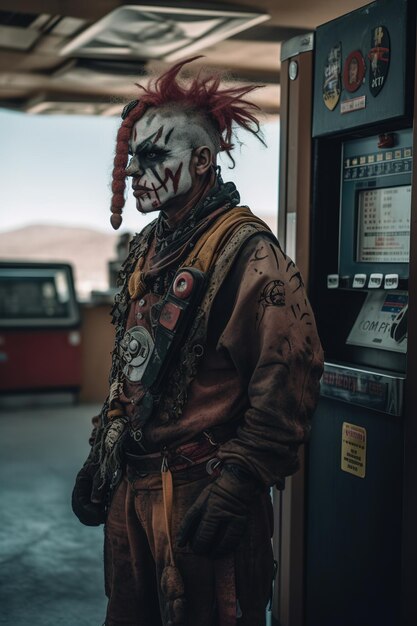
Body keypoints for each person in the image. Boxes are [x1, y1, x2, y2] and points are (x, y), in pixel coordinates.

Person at [72, 56, 324, 626]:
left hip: (202, 496)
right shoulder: (149, 247)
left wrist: (240, 480)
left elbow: (291, 375)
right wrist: (101, 454)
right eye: (134, 157)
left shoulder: (250, 255)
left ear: (203, 161)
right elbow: (130, 363)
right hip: (132, 489)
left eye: (155, 156)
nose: (136, 172)